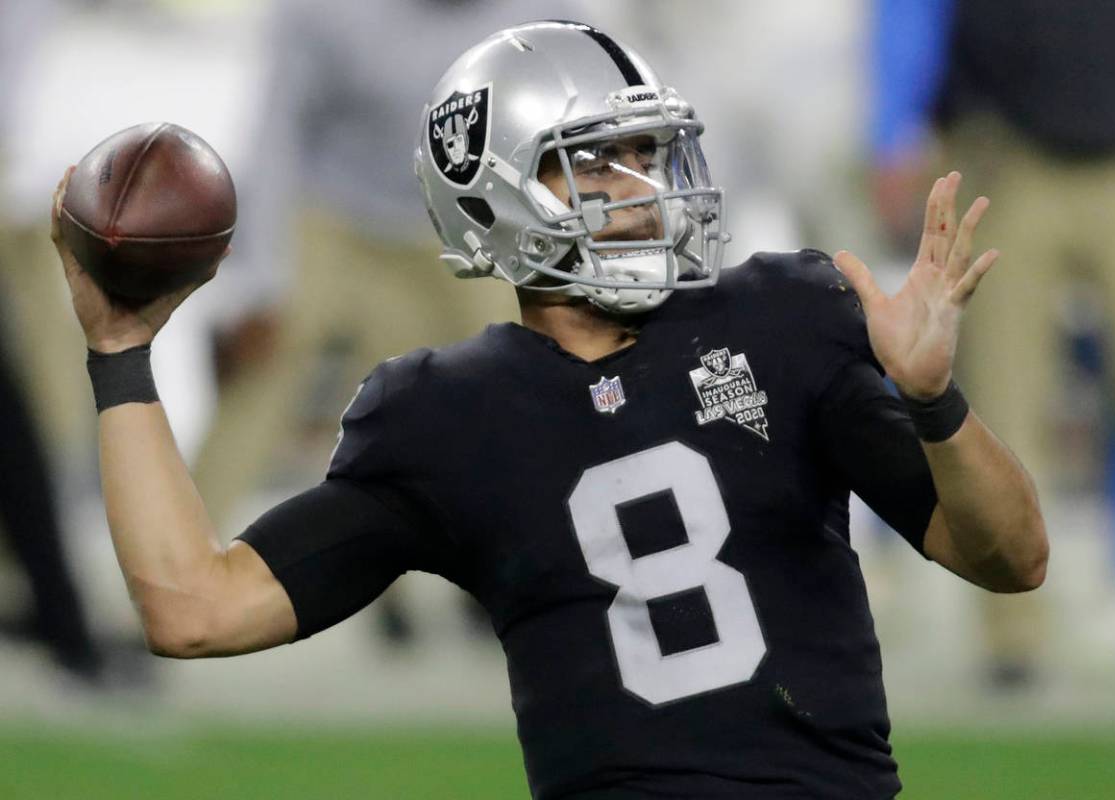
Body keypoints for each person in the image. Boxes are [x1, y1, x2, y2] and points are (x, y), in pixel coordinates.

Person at [52, 21, 1047, 799]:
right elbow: (193, 606)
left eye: (647, 157)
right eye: (598, 164)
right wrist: (121, 350)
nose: (642, 190)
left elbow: (1010, 558)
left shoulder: (783, 316)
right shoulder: (443, 412)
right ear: (499, 197)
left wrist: (933, 402)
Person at [869, 0, 1115, 685]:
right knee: (1001, 405)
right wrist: (893, 131)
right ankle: (1011, 636)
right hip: (1006, 156)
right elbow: (912, 17)